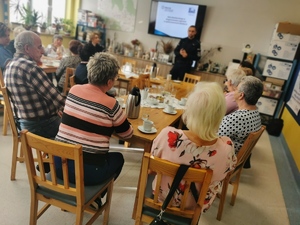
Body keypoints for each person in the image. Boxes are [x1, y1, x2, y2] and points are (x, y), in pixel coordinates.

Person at [150, 82, 237, 212]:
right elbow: (224, 175)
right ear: (219, 115)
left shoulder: (167, 135)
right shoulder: (226, 148)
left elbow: (152, 168)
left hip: (162, 198)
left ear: (190, 109)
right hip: (195, 206)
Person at [55, 52, 133, 187]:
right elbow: (127, 134)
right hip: (87, 173)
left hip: (57, 164)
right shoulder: (111, 103)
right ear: (109, 82)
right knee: (118, 158)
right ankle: (94, 197)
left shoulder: (73, 90)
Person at [4, 31, 65, 139]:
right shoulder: (30, 68)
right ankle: (58, 155)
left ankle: (54, 155)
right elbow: (58, 99)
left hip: (23, 125)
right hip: (41, 126)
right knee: (78, 130)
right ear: (27, 48)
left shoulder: (10, 65)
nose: (42, 51)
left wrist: (57, 110)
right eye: (39, 47)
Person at [218, 76, 263, 168]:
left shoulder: (236, 118)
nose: (234, 91)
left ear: (241, 95)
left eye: (237, 89)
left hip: (224, 160)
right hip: (236, 158)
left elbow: (213, 139)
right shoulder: (255, 113)